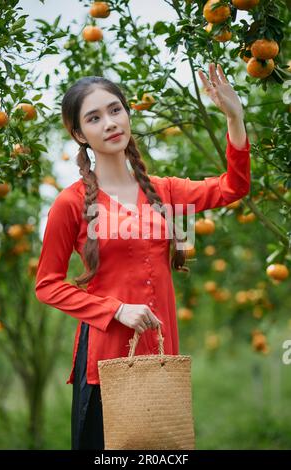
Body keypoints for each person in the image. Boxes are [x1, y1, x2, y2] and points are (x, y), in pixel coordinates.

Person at [35, 62, 251, 450]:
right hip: (105, 364)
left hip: (163, 357)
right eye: (94, 118)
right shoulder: (69, 204)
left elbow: (233, 186)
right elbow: (47, 286)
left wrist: (235, 119)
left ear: (128, 113)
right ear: (79, 134)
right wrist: (118, 310)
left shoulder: (166, 191)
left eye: (115, 110)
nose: (110, 123)